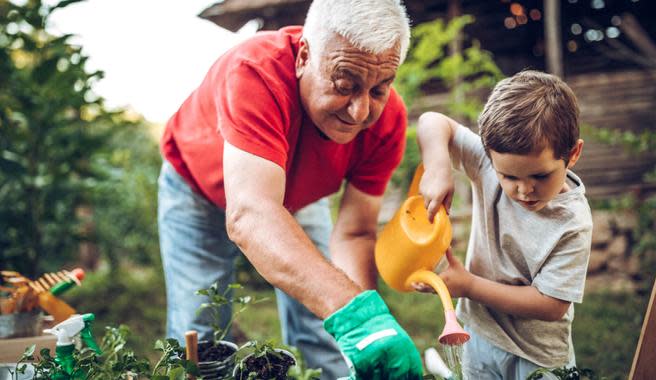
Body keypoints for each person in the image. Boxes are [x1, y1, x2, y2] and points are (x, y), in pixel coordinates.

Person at [158, 0, 423, 378]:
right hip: (195, 192)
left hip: (293, 199)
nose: (360, 112)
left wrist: (369, 324)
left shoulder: (388, 121)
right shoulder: (255, 72)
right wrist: (352, 312)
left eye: (379, 90)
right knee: (202, 336)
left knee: (328, 331)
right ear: (303, 56)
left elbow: (355, 232)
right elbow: (251, 214)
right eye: (345, 85)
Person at [415, 70, 592, 379]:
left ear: (572, 154)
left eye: (540, 176)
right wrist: (438, 165)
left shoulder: (572, 222)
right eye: (509, 177)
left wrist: (468, 285)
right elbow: (432, 121)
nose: (524, 190)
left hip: (539, 355)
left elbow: (551, 305)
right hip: (480, 335)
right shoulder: (486, 163)